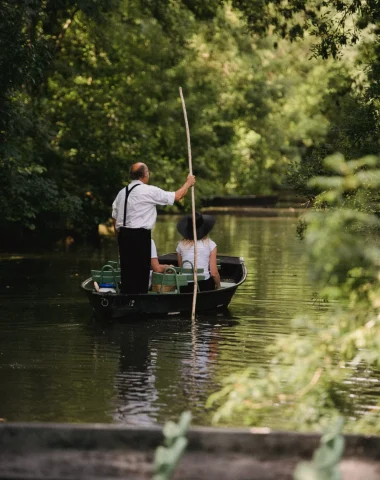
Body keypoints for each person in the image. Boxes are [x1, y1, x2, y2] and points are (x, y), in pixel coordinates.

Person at [112, 163, 195, 294]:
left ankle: (127, 299)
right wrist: (188, 183)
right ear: (145, 175)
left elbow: (114, 217)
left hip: (123, 237)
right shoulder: (148, 190)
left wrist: (119, 236)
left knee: (127, 272)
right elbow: (176, 196)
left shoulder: (121, 193)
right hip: (139, 236)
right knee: (140, 274)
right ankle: (139, 301)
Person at [176, 211, 221, 292]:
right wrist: (218, 286)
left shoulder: (180, 245)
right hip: (204, 286)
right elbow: (214, 273)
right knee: (210, 280)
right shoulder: (211, 245)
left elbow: (181, 268)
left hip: (184, 286)